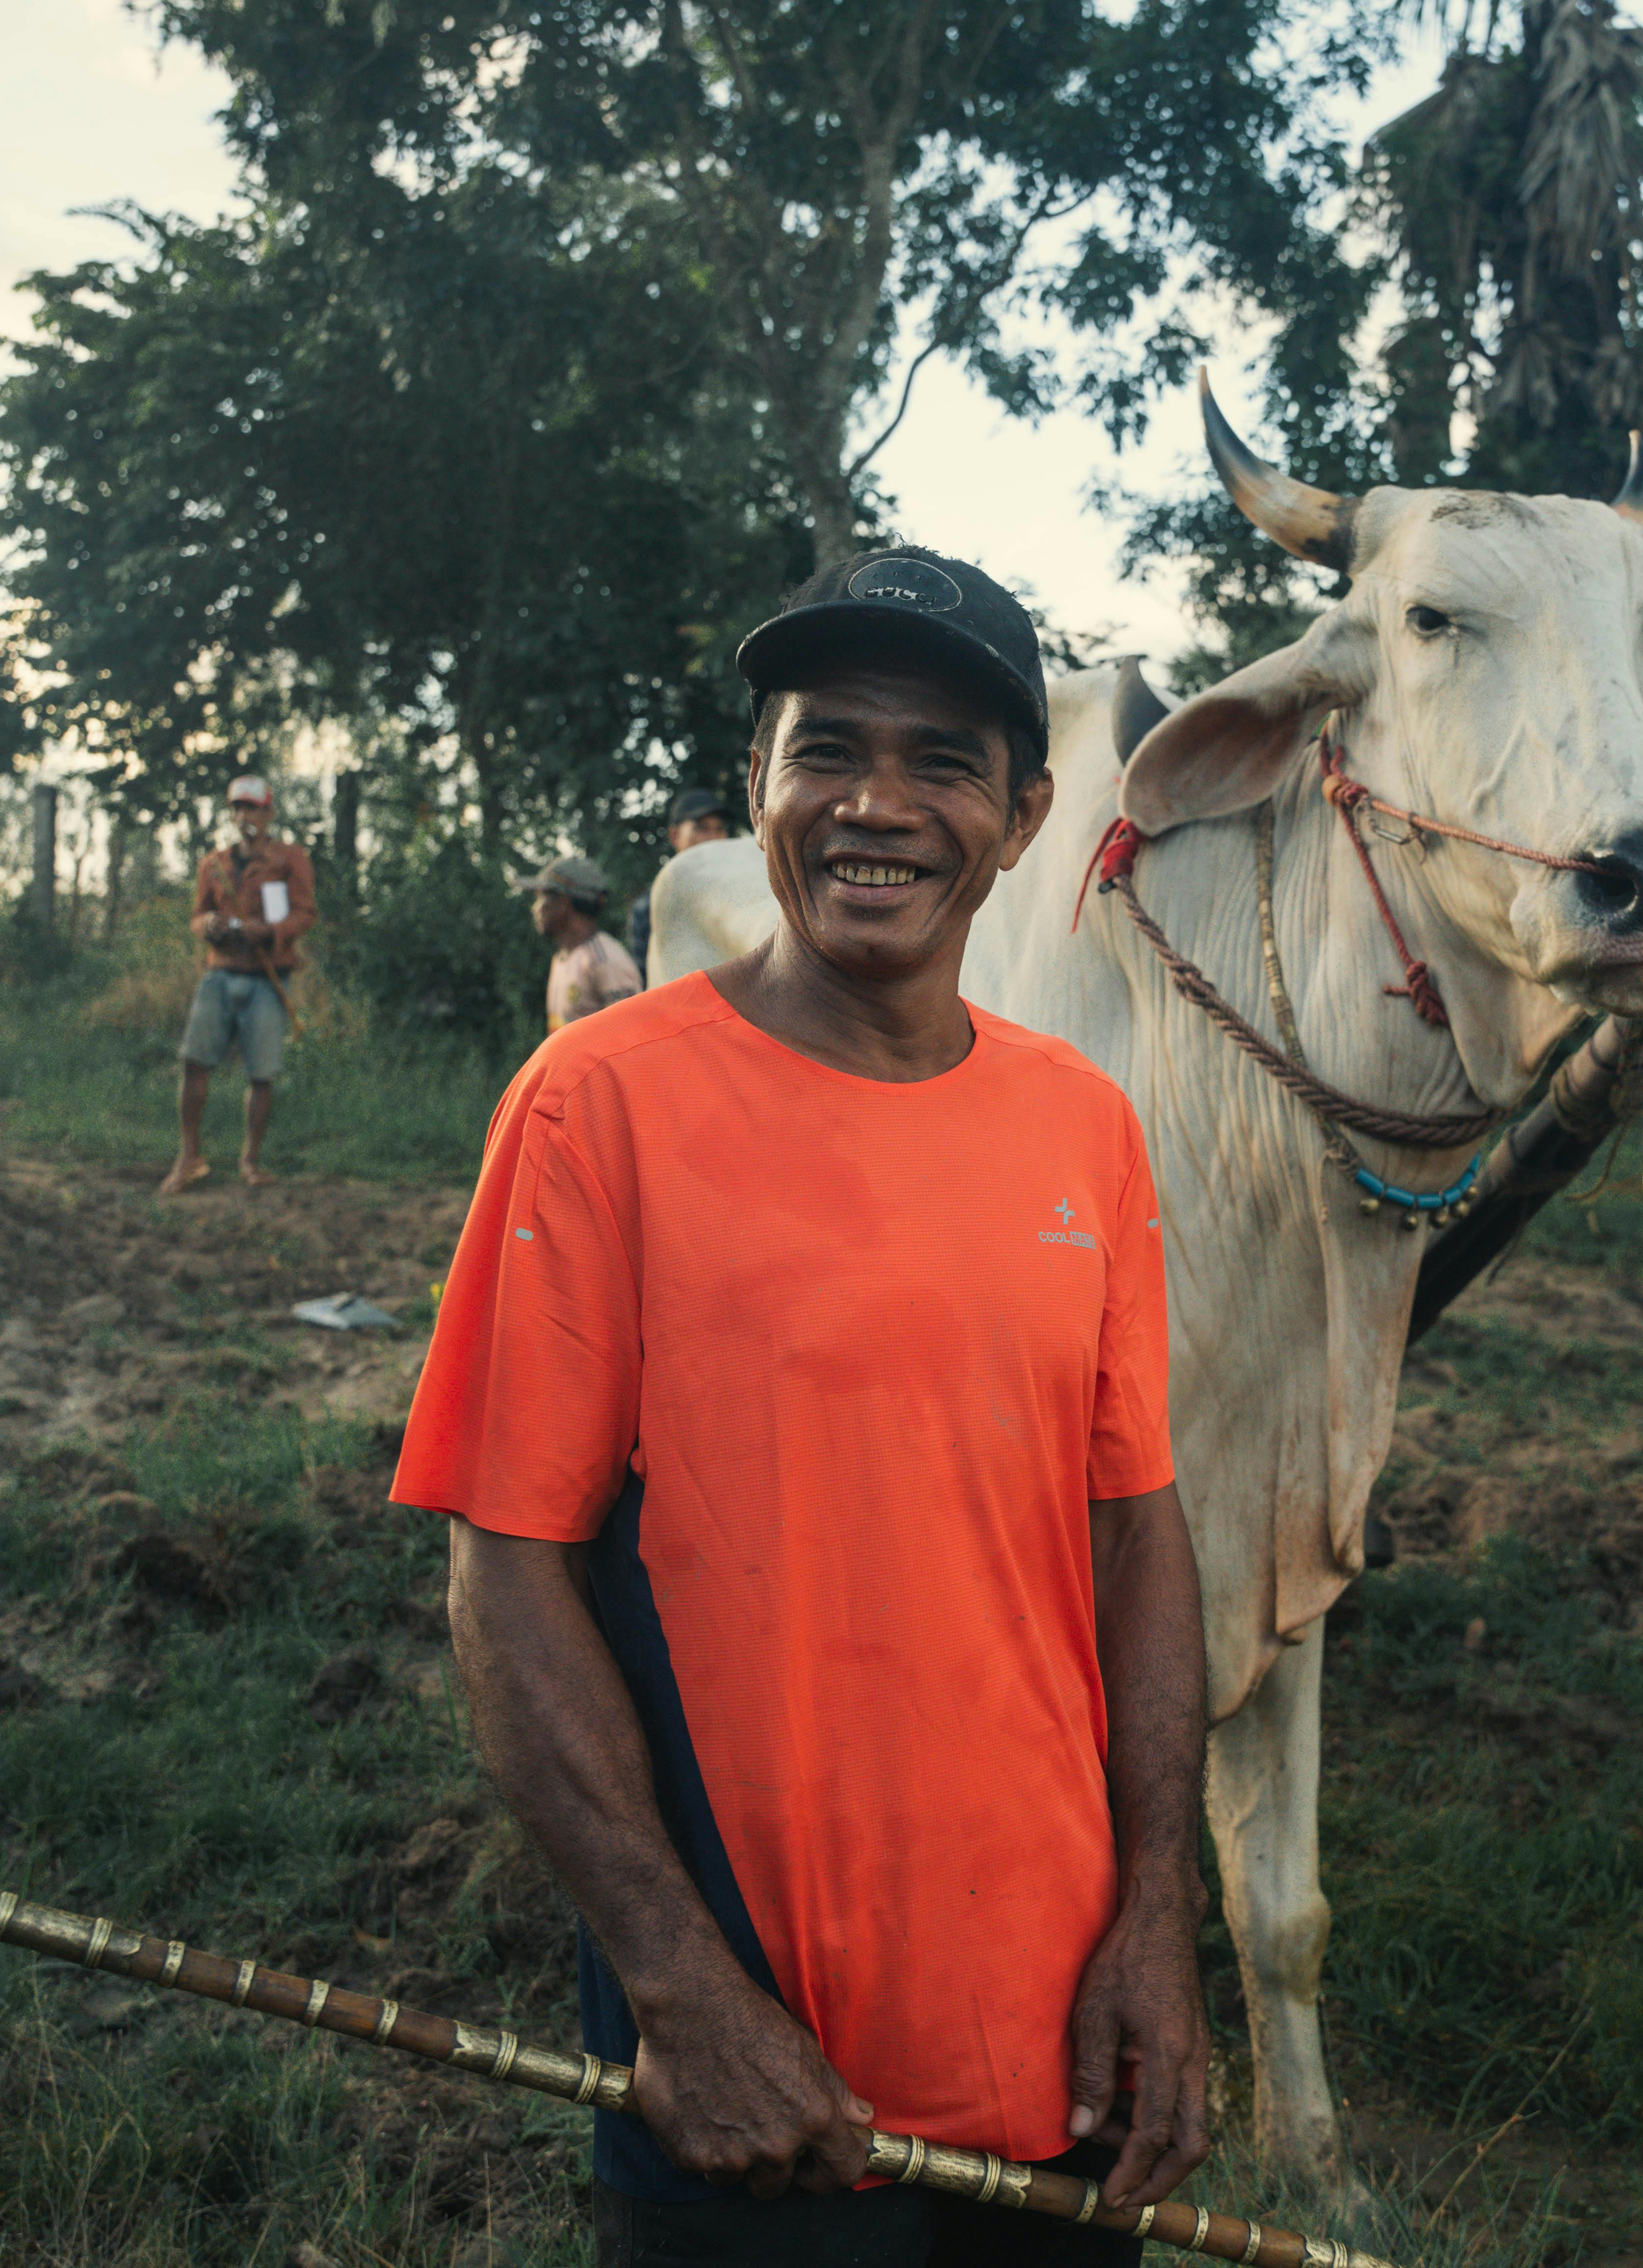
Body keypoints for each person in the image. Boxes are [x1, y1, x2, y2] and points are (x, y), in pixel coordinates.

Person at [393, 546, 1209, 2268]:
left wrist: (1154, 1924)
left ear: (1021, 814)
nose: (875, 806)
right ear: (754, 784)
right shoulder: (597, 1103)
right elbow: (509, 1572)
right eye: (825, 748)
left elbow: (1134, 1542)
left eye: (940, 763)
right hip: (759, 2075)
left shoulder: (1083, 1130)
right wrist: (677, 1990)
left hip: (1061, 2042)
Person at [165, 772, 314, 1195]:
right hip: (219, 975)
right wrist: (208, 926)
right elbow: (197, 916)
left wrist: (267, 932)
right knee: (195, 1061)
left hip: (267, 978)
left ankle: (250, 1161)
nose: (245, 816)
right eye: (238, 808)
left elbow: (305, 914)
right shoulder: (214, 864)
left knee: (261, 1072)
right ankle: (189, 1157)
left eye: (253, 807)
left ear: (268, 812)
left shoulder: (289, 860)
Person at [519, 854, 647, 1032]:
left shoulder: (605, 961)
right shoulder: (562, 959)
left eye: (542, 897)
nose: (536, 908)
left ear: (563, 902)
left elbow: (633, 1037)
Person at [623, 785, 732, 960]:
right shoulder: (650, 906)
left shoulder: (736, 895)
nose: (714, 838)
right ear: (674, 835)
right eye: (702, 829)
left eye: (720, 829)